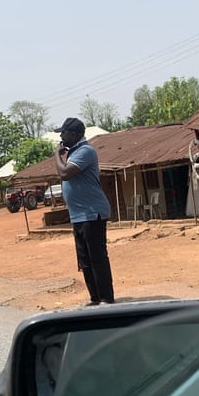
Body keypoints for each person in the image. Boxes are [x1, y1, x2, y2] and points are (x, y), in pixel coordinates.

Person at [54, 117, 114, 306]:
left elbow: (65, 173)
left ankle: (106, 298)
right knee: (84, 259)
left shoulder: (85, 151)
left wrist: (57, 154)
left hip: (91, 212)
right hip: (79, 215)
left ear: (74, 134)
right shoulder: (74, 153)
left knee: (97, 257)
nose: (61, 137)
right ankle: (95, 298)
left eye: (63, 133)